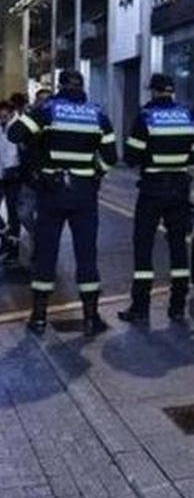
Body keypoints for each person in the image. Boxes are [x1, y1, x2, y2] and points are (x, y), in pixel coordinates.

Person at [8, 70, 117, 336]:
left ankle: (39, 318)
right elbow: (110, 157)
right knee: (86, 255)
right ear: (82, 87)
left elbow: (14, 134)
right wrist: (94, 175)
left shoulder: (47, 110)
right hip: (84, 194)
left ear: (60, 86)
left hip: (51, 192)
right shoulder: (98, 114)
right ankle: (91, 318)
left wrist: (37, 149)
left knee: (46, 254)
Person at [118, 73, 194, 324]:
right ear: (172, 91)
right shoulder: (188, 116)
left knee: (143, 246)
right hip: (180, 189)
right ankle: (177, 307)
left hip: (152, 190)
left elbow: (131, 157)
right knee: (178, 246)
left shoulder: (146, 117)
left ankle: (140, 307)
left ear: (153, 91)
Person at [13, 89, 50, 264]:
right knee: (24, 214)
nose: (43, 103)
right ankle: (36, 237)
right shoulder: (29, 119)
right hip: (29, 177)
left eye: (47, 100)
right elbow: (15, 137)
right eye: (40, 100)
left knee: (45, 217)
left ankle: (41, 250)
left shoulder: (54, 121)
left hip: (48, 179)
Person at [0, 101, 21, 264]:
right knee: (13, 215)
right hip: (1, 173)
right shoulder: (1, 126)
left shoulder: (20, 126)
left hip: (15, 175)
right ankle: (5, 233)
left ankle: (12, 251)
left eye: (4, 115)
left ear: (12, 112)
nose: (2, 118)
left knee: (14, 213)